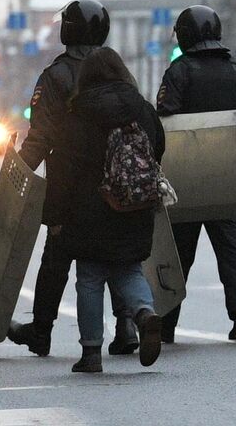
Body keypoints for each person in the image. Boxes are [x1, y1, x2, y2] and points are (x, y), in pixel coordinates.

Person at [7, 0, 137, 358]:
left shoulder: (55, 76)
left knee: (56, 257)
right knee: (115, 252)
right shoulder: (117, 70)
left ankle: (41, 332)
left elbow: (41, 135)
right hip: (118, 181)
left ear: (68, 30)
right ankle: (126, 324)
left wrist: (17, 173)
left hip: (69, 182)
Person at [46, 48, 166, 373]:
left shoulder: (78, 114)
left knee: (89, 277)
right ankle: (144, 312)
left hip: (89, 209)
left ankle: (91, 353)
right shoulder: (141, 109)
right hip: (134, 205)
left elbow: (62, 169)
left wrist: (54, 216)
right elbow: (158, 147)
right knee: (129, 270)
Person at [155, 5, 236, 342]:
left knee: (179, 249)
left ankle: (167, 321)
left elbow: (164, 121)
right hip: (226, 173)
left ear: (185, 35)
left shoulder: (178, 72)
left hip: (184, 175)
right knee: (232, 245)